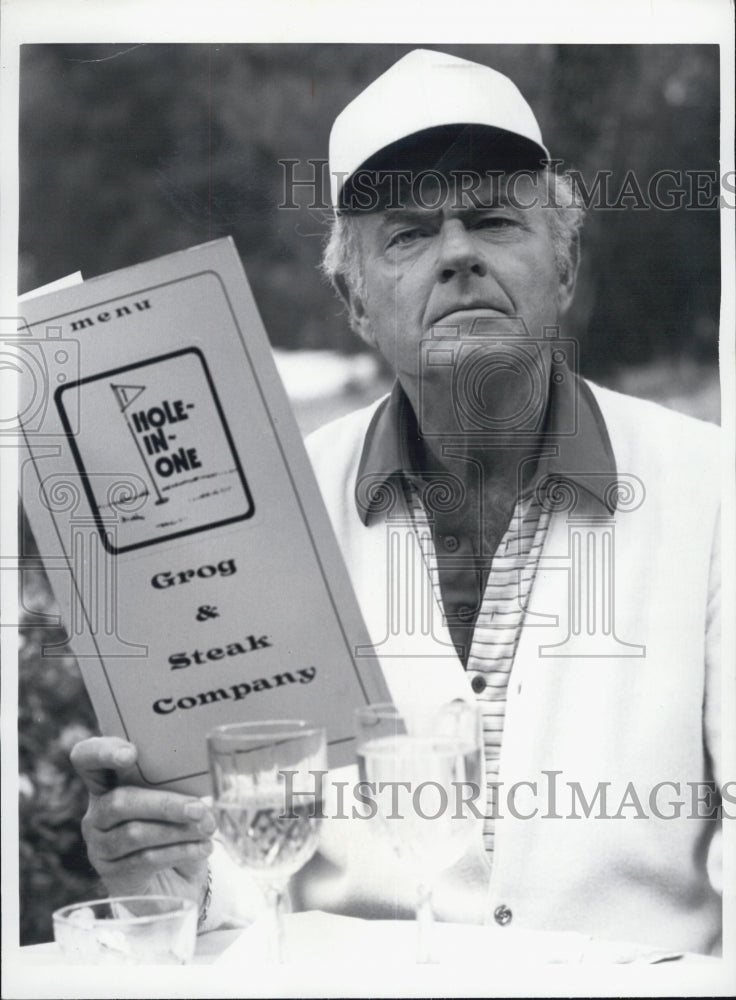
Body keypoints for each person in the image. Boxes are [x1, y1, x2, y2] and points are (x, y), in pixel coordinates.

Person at [71, 49, 723, 953]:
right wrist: (172, 872)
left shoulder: (715, 490)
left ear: (565, 266)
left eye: (495, 218)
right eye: (409, 234)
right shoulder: (269, 512)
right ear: (355, 300)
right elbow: (244, 879)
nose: (458, 253)